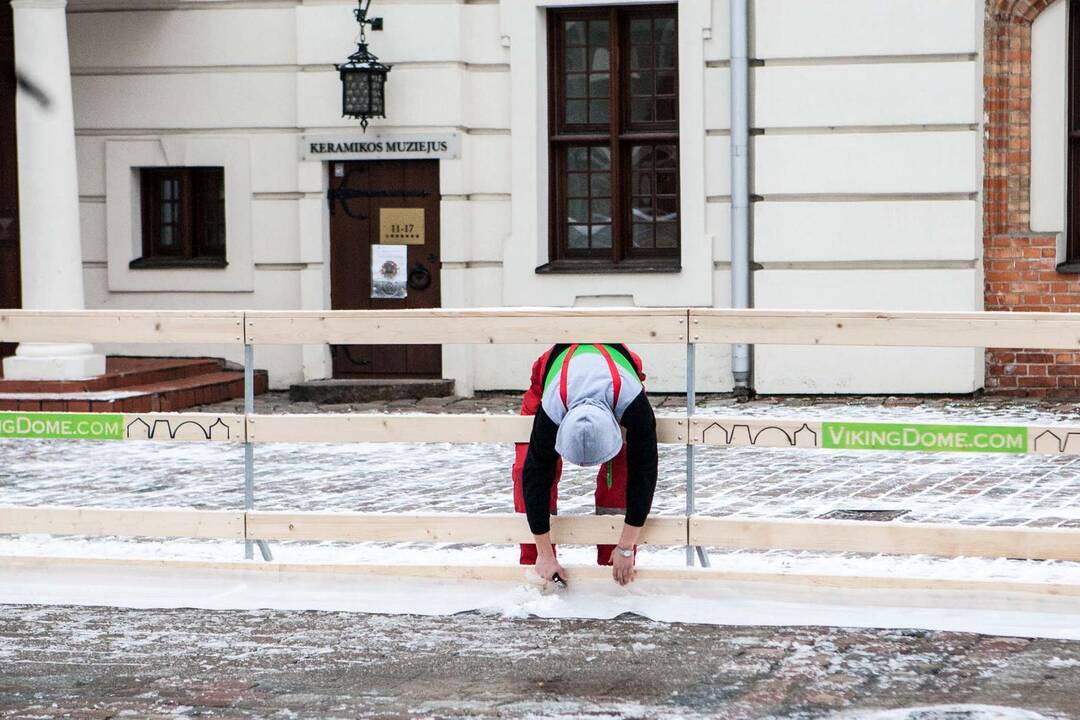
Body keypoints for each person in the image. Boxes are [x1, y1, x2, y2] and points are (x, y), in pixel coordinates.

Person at [510, 343, 659, 586]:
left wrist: (625, 547)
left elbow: (644, 472)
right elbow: (536, 476)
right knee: (524, 467)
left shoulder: (633, 403)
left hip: (617, 369)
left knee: (621, 475)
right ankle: (536, 566)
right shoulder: (551, 408)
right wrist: (544, 554)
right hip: (553, 375)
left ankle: (615, 571)